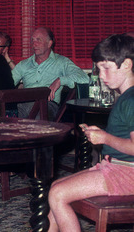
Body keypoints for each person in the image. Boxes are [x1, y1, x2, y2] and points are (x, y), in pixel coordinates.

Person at [47, 33, 134, 232]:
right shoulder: (126, 97)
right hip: (117, 168)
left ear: (127, 65)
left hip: (127, 173)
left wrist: (104, 137)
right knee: (56, 187)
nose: (100, 75)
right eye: (98, 68)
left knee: (57, 194)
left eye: (106, 68)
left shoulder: (131, 100)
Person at [11, 27, 89, 120]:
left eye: (38, 40)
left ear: (49, 43)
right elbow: (8, 82)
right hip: (24, 104)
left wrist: (60, 80)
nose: (34, 44)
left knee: (35, 114)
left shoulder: (61, 62)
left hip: (48, 105)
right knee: (8, 112)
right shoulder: (24, 64)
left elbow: (85, 78)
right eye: (33, 40)